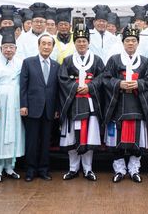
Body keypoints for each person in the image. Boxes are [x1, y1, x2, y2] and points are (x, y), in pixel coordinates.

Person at [103, 26, 148, 183]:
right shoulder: (114, 60)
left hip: (138, 106)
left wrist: (139, 84)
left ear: (138, 43)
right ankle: (119, 169)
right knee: (117, 141)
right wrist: (119, 84)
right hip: (118, 106)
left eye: (133, 40)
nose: (130, 43)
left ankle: (134, 169)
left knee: (136, 140)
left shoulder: (145, 62)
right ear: (123, 42)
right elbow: (106, 78)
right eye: (127, 40)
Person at [58, 24, 105, 181]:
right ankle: (73, 168)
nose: (81, 44)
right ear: (74, 42)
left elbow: (102, 78)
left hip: (90, 104)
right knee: (73, 137)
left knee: (89, 136)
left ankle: (88, 169)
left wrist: (90, 87)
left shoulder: (97, 60)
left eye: (84, 41)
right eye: (78, 41)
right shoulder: (68, 60)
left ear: (88, 42)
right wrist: (76, 87)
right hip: (73, 104)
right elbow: (63, 80)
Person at [0, 27, 24, 182]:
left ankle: (10, 167)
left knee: (13, 135)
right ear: (1, 48)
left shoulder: (20, 64)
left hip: (15, 105)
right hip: (0, 105)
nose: (8, 50)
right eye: (5, 47)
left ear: (16, 49)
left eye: (11, 47)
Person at [20, 33, 60, 181]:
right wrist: (23, 105)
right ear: (38, 45)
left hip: (49, 110)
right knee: (31, 141)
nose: (46, 46)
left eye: (49, 44)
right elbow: (23, 87)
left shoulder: (56, 66)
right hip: (32, 109)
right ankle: (30, 170)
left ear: (52, 47)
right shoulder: (28, 62)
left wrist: (57, 108)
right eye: (43, 43)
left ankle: (43, 169)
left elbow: (57, 90)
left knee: (45, 141)